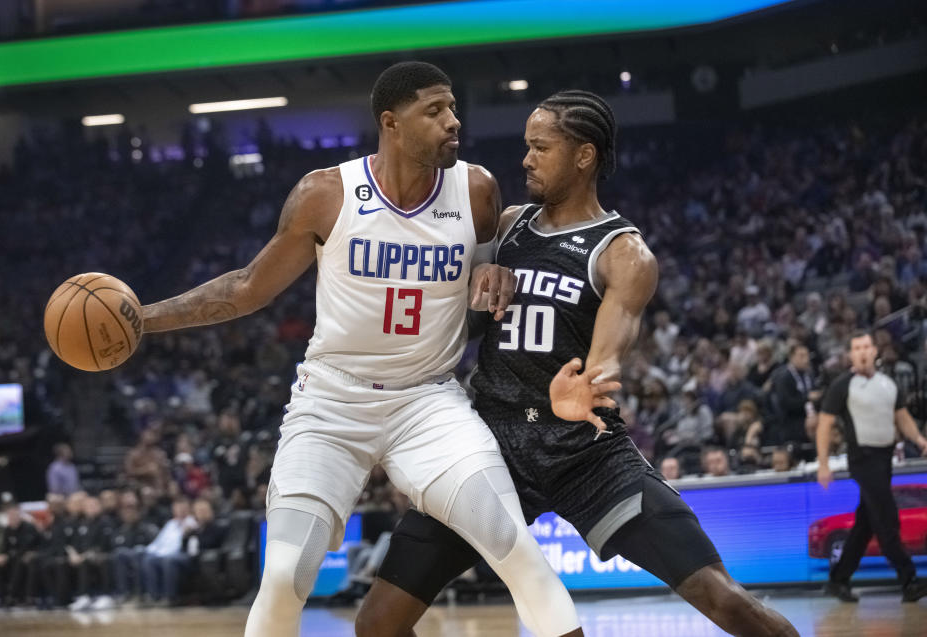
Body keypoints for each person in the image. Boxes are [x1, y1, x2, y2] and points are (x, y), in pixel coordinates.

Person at [138, 61, 583, 637]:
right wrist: (142, 321)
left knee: (513, 546)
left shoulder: (476, 190)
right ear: (391, 123)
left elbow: (483, 278)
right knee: (284, 577)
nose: (454, 121)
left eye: (453, 108)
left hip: (429, 403)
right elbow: (249, 289)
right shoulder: (325, 194)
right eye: (435, 111)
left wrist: (491, 272)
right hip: (332, 404)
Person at [355, 91, 797, 637]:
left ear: (583, 155)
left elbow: (611, 351)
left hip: (583, 450)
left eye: (541, 147)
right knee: (377, 624)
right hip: (489, 446)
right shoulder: (508, 225)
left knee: (723, 599)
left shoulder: (621, 252)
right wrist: (473, 284)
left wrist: (589, 383)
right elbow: (452, 315)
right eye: (526, 146)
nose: (526, 159)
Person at [816, 331, 927, 602]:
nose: (863, 352)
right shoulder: (843, 385)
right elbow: (825, 424)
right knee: (887, 516)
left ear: (874, 351)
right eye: (857, 348)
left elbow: (903, 418)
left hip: (884, 458)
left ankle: (838, 579)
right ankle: (909, 578)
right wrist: (823, 463)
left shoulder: (888, 385)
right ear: (851, 354)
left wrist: (920, 440)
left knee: (866, 523)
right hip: (862, 459)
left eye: (866, 346)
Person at [141, 498, 196, 606]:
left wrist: (186, 531)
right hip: (164, 554)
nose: (180, 510)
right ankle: (154, 596)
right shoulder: (170, 523)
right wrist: (147, 551)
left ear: (188, 509)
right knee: (148, 559)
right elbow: (158, 542)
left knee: (168, 560)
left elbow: (182, 545)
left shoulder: (192, 522)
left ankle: (170, 597)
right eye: (177, 508)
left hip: (182, 554)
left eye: (182, 508)